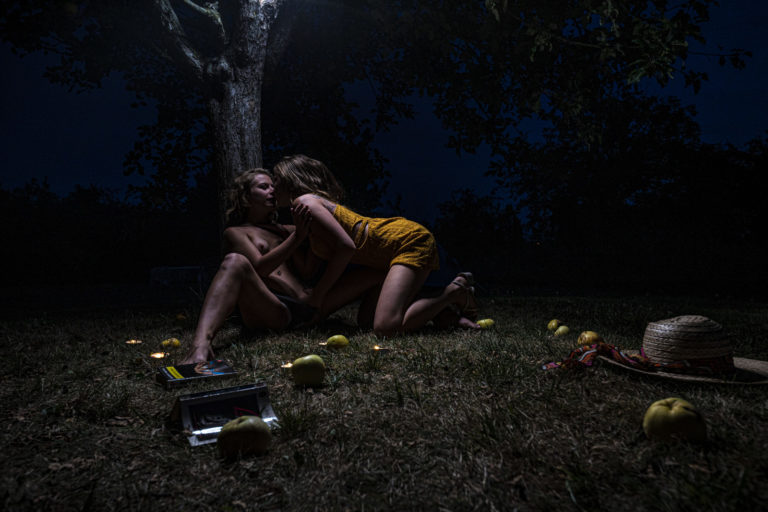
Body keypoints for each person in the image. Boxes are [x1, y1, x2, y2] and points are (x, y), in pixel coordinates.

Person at [181, 168, 384, 364]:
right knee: (234, 261)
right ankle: (200, 345)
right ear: (246, 197)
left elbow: (307, 270)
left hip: (309, 303)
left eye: (273, 186)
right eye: (264, 187)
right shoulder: (236, 233)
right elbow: (261, 268)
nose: (272, 191)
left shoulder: (286, 229)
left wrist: (314, 233)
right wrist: (297, 237)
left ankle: (371, 321)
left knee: (378, 271)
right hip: (275, 309)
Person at [272, 154, 479, 337]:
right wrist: (296, 235)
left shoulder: (305, 202)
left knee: (385, 328)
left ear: (292, 179)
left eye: (276, 179)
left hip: (407, 241)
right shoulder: (306, 215)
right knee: (367, 322)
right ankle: (442, 312)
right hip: (387, 258)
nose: (273, 187)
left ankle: (454, 291)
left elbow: (346, 247)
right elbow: (308, 271)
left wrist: (317, 296)